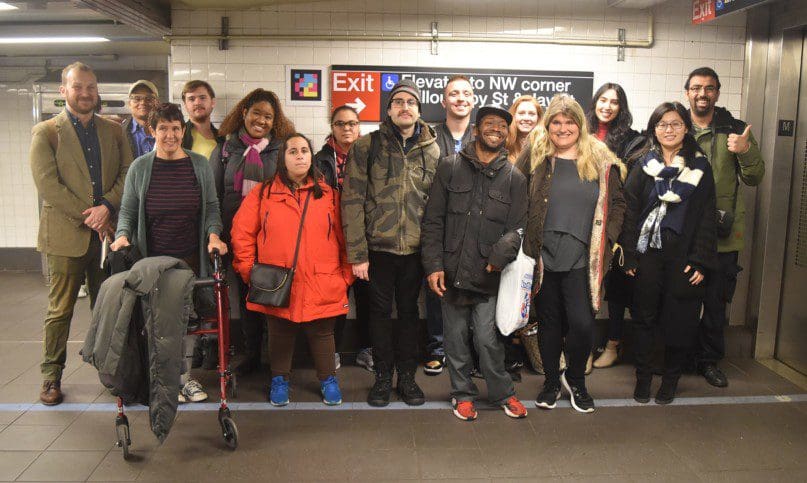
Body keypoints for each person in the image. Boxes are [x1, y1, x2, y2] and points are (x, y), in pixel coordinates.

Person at [515, 94, 626, 414]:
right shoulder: (535, 153)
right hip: (542, 256)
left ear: (580, 124)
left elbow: (618, 204)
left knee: (582, 324)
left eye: (569, 122)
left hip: (583, 257)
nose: (563, 128)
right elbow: (512, 189)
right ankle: (551, 381)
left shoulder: (601, 157)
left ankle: (575, 379)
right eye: (556, 122)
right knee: (548, 323)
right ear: (547, 124)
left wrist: (610, 237)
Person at [30, 62, 132, 405]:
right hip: (65, 236)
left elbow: (127, 171)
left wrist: (107, 206)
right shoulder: (47, 132)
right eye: (78, 87)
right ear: (64, 91)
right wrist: (92, 216)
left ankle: (109, 371)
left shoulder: (114, 130)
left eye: (91, 87)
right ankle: (50, 376)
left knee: (107, 308)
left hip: (107, 236)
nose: (85, 93)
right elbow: (48, 186)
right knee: (60, 310)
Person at [111, 103, 228, 403]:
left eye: (176, 127)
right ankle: (167, 378)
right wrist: (122, 236)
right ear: (152, 131)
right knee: (157, 322)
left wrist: (214, 235)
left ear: (183, 130)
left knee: (184, 320)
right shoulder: (140, 168)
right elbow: (128, 211)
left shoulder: (199, 165)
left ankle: (182, 379)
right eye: (163, 128)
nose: (170, 134)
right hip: (152, 263)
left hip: (188, 260)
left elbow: (212, 209)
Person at [422, 105, 529, 421]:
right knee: (454, 340)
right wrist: (433, 265)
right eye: (489, 124)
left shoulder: (515, 178)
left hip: (489, 274)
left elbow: (518, 228)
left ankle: (503, 393)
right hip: (451, 272)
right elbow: (433, 221)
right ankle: (462, 394)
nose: (496, 129)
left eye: (502, 126)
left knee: (486, 340)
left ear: (506, 135)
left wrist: (497, 259)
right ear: (476, 130)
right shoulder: (450, 167)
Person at [231, 133, 354, 406]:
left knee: (323, 334)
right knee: (279, 333)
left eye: (304, 151)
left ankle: (328, 379)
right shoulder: (262, 194)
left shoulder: (330, 196)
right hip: (276, 281)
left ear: (312, 157)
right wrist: (250, 272)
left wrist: (344, 276)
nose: (300, 156)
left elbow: (347, 239)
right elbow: (242, 235)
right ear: (282, 159)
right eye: (293, 151)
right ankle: (279, 380)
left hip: (323, 280)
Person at [341, 79, 440, 407]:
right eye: (398, 101)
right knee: (380, 314)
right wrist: (357, 253)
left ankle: (408, 378)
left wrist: (434, 256)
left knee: (411, 314)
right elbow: (352, 200)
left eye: (411, 102)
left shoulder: (433, 150)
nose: (404, 107)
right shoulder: (366, 146)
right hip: (377, 250)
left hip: (415, 251)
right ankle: (383, 376)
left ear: (419, 111)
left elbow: (437, 208)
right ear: (388, 110)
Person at [620, 101, 717, 404]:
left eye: (675, 124)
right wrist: (629, 256)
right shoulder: (643, 165)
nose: (669, 130)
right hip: (647, 253)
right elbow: (630, 210)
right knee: (644, 318)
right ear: (654, 130)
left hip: (684, 256)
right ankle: (644, 377)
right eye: (662, 124)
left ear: (686, 128)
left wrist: (701, 259)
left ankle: (671, 379)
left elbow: (706, 215)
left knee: (680, 320)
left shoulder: (700, 167)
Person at [684, 67, 765, 388]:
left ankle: (708, 361)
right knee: (681, 299)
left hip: (723, 237)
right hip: (684, 234)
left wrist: (744, 152)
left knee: (716, 304)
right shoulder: (675, 126)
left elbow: (755, 177)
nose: (702, 94)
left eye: (709, 88)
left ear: (718, 92)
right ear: (687, 91)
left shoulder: (736, 129)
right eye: (696, 88)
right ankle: (679, 357)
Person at [209, 88, 295, 376]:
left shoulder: (282, 149)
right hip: (236, 238)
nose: (261, 120)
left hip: (273, 238)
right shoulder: (224, 149)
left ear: (275, 121)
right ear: (243, 112)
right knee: (246, 296)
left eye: (268, 116)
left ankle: (275, 359)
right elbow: (214, 196)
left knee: (274, 295)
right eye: (256, 112)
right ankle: (250, 354)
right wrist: (217, 234)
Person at [585, 83, 644, 370]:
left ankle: (612, 344)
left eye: (615, 102)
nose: (607, 106)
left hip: (617, 220)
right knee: (583, 287)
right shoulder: (579, 133)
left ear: (622, 108)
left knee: (617, 288)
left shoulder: (633, 141)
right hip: (584, 218)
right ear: (594, 102)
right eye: (603, 100)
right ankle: (582, 346)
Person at [314, 105, 373, 372]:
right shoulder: (319, 160)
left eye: (352, 123)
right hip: (332, 240)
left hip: (366, 237)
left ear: (359, 126)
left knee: (369, 299)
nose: (347, 128)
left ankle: (366, 350)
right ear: (332, 127)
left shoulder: (373, 154)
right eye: (340, 123)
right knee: (335, 299)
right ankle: (333, 351)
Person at [425, 75, 476, 376]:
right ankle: (437, 348)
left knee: (471, 289)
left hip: (473, 225)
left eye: (466, 93)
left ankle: (467, 350)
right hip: (438, 223)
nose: (460, 98)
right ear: (443, 102)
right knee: (436, 288)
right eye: (454, 94)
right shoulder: (429, 136)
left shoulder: (483, 136)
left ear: (473, 101)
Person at [181, 79, 223, 159]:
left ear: (212, 102)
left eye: (202, 98)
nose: (197, 103)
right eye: (191, 99)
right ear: (185, 105)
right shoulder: (177, 137)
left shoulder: (222, 139)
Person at [122, 79, 159, 158]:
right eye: (137, 99)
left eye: (149, 99)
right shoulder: (119, 133)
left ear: (157, 103)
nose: (143, 103)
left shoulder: (169, 131)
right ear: (129, 103)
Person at [506, 95, 544, 163]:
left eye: (531, 114)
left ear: (538, 118)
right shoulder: (504, 143)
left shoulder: (546, 146)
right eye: (521, 113)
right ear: (514, 116)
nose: (526, 118)